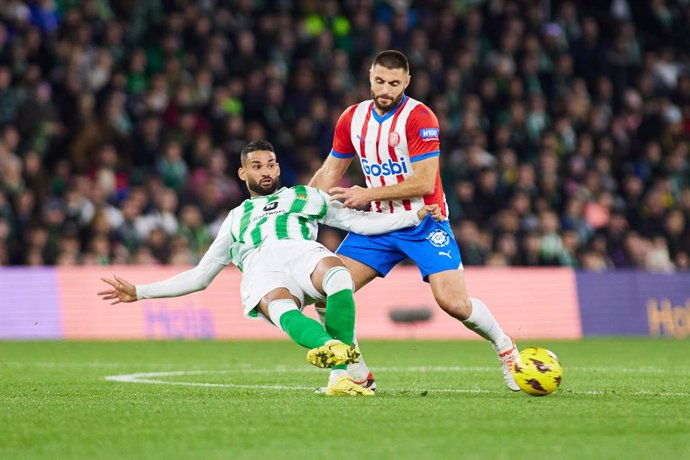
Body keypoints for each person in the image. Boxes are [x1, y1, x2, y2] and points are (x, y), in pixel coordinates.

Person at [98, 140, 440, 396]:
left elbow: (360, 222)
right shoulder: (234, 218)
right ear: (243, 172)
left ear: (278, 169)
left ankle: (340, 371)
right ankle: (339, 362)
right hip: (263, 271)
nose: (266, 171)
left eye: (271, 165)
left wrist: (413, 216)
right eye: (258, 166)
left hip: (302, 253)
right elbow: (201, 276)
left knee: (338, 276)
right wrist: (140, 292)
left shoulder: (304, 196)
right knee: (279, 306)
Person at [309, 50, 521, 392]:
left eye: (394, 83)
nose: (386, 89)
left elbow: (424, 182)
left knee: (454, 303)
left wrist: (367, 194)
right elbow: (330, 171)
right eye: (380, 81)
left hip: (424, 222)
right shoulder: (352, 118)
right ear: (369, 77)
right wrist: (299, 202)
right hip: (377, 226)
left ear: (407, 82)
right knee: (324, 294)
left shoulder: (419, 118)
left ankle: (505, 347)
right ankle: (355, 373)